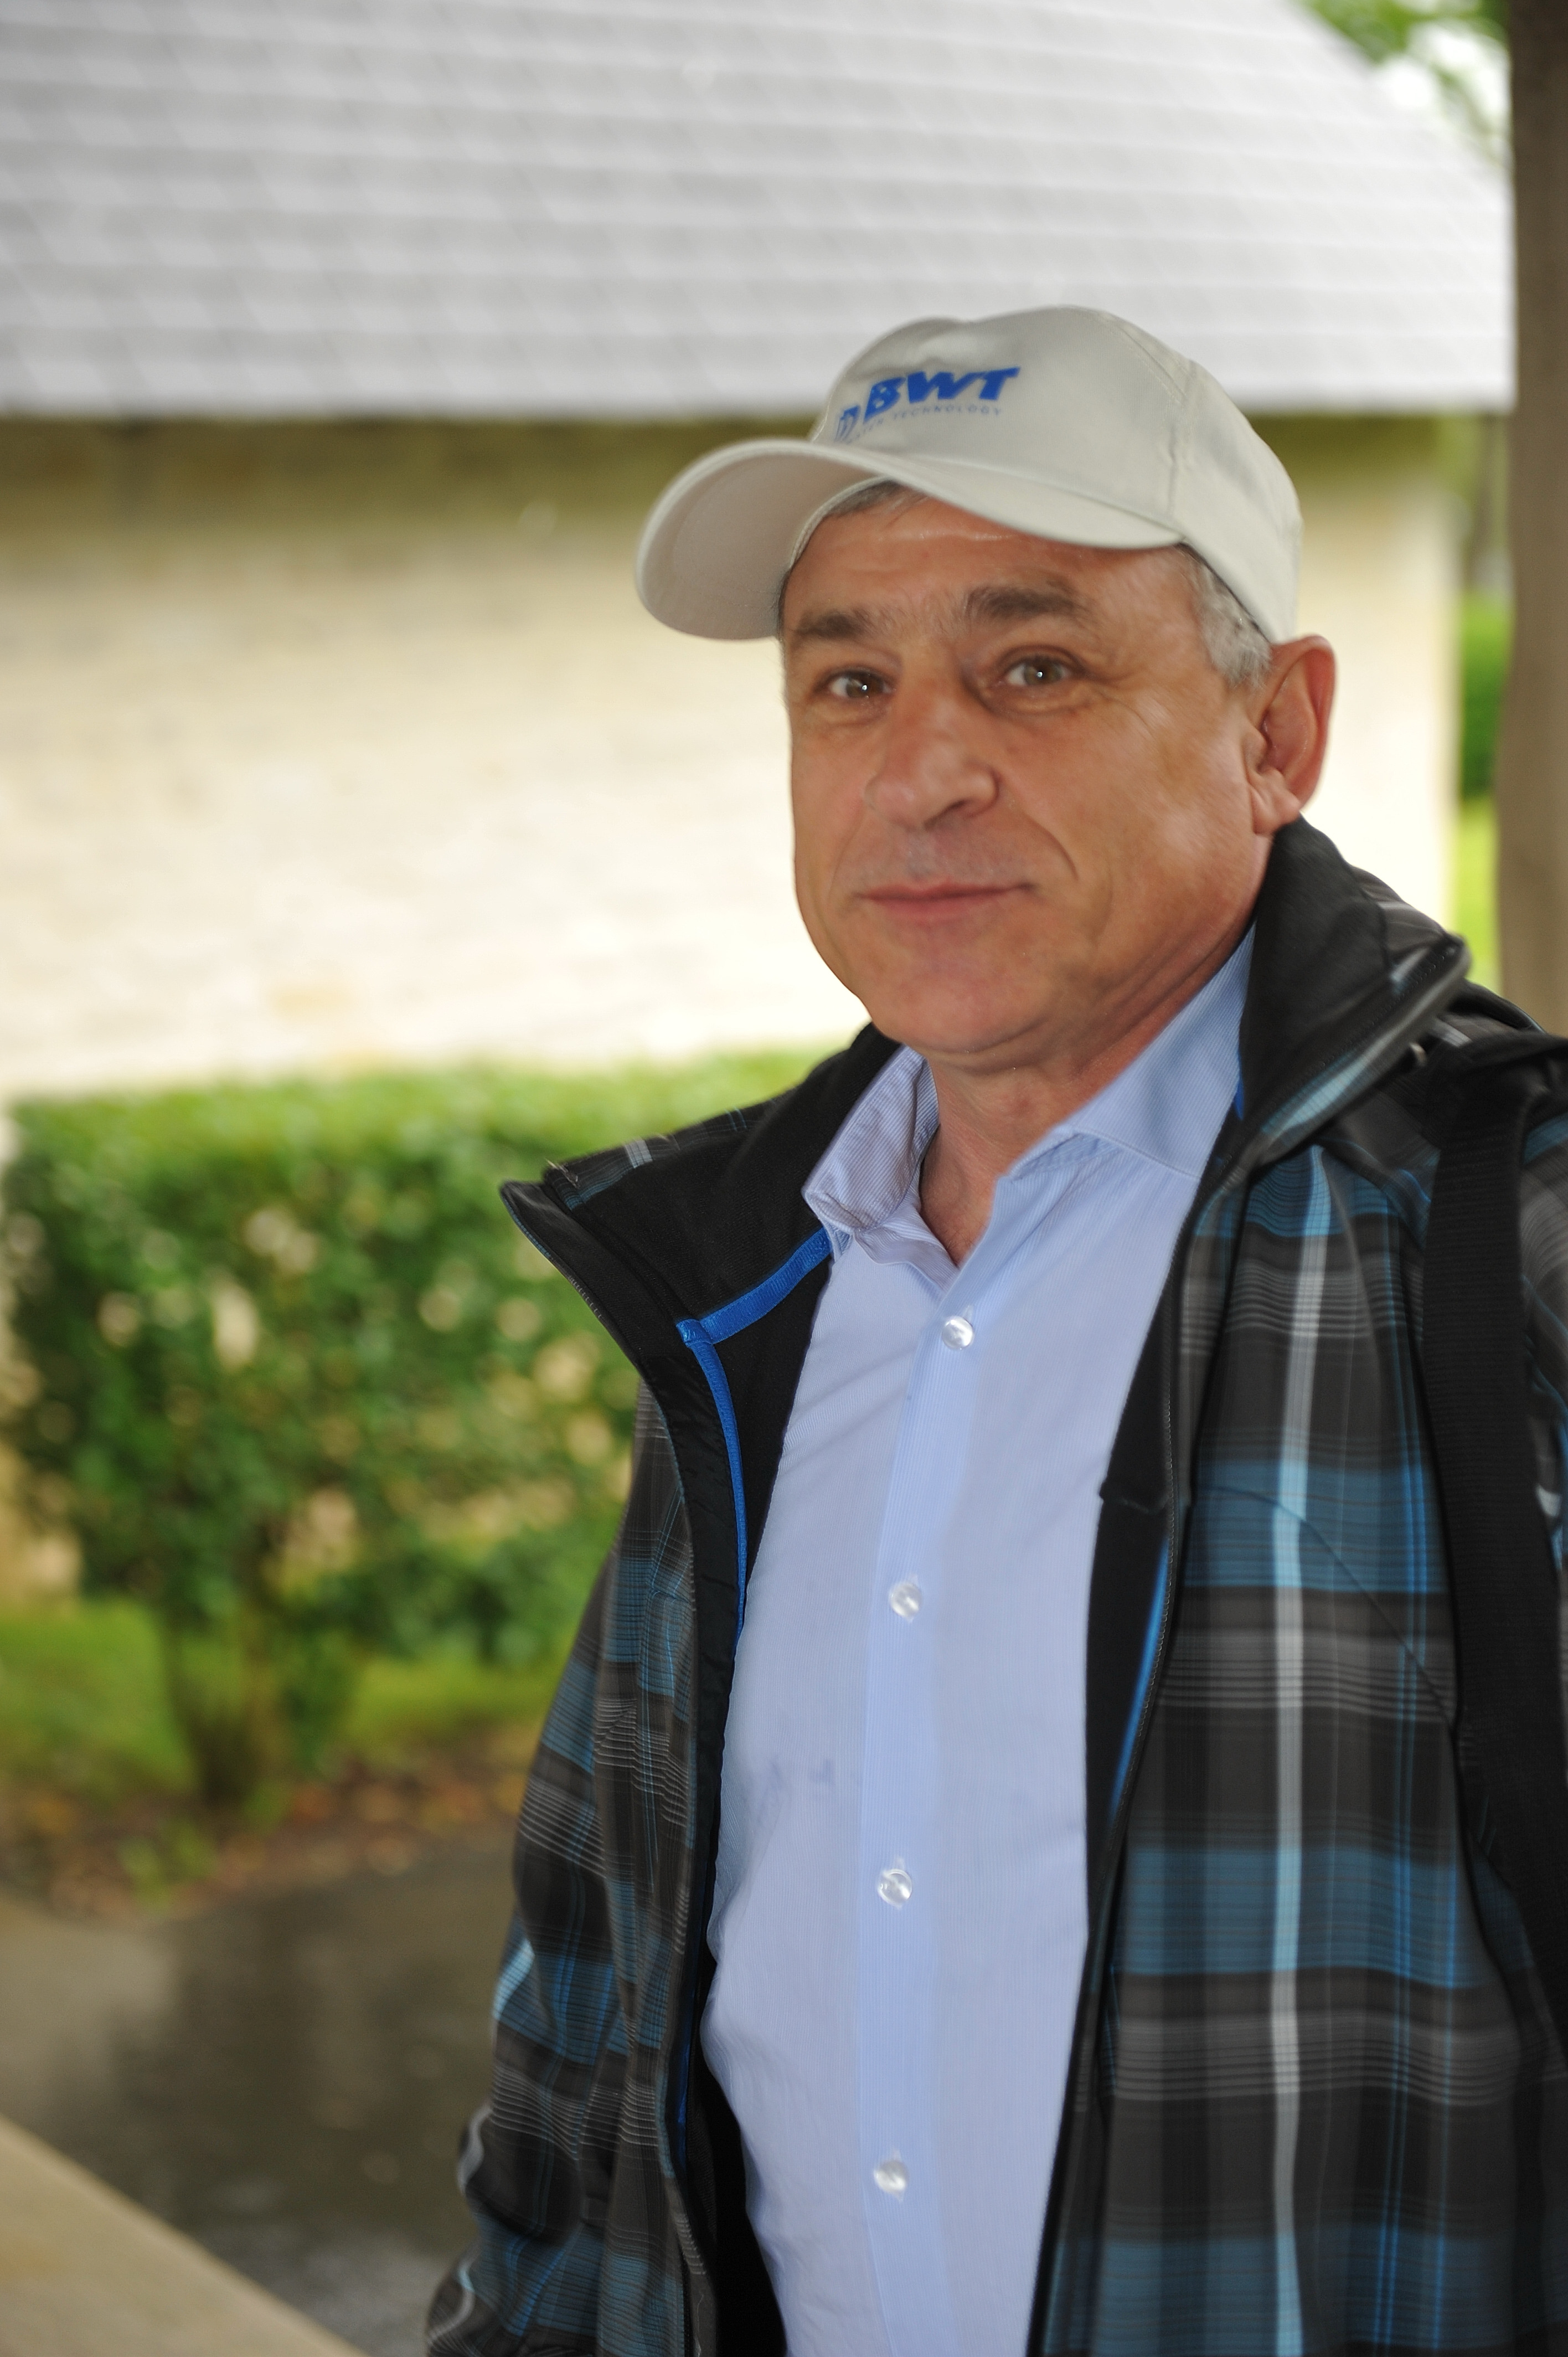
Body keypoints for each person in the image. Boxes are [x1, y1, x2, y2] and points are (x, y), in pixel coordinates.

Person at [428, 308, 1568, 2357]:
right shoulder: (745, 1283)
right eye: (848, 681)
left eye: (1035, 668)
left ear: (1277, 734)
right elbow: (588, 2029)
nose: (921, 770)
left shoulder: (1514, 1238)